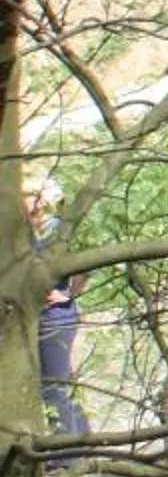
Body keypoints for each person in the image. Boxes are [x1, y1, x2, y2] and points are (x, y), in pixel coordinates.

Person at [25, 182, 83, 459]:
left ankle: (65, 457)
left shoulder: (56, 230)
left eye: (28, 196)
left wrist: (67, 293)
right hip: (35, 315)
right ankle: (83, 443)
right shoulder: (24, 232)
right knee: (61, 382)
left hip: (56, 317)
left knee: (53, 386)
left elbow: (87, 263)